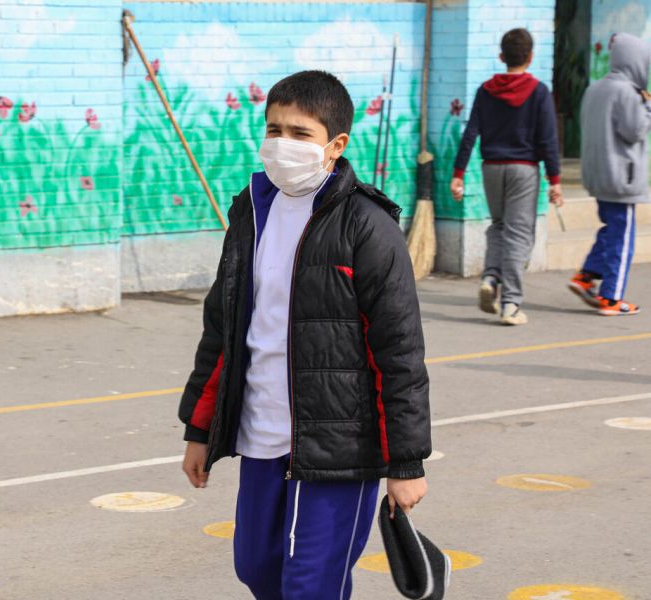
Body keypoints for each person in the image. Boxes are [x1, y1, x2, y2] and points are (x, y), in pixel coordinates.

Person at [178, 70, 431, 599]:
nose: (282, 143)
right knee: (257, 568)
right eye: (274, 129)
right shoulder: (251, 211)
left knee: (311, 586)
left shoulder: (367, 224)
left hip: (340, 445)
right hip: (261, 432)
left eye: (300, 133)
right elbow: (222, 329)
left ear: (336, 145)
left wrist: (405, 463)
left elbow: (399, 353)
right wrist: (200, 430)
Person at [451, 28, 563, 326]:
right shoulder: (539, 92)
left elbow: (471, 132)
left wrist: (458, 173)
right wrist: (555, 180)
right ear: (530, 57)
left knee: (499, 226)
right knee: (518, 234)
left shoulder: (485, 90)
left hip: (491, 167)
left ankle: (491, 276)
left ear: (502, 57)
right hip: (523, 170)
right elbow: (548, 140)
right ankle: (511, 303)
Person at [568, 33, 651, 316]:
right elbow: (635, 130)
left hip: (599, 174)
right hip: (621, 177)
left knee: (611, 229)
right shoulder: (627, 93)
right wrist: (648, 106)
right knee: (622, 238)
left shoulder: (595, 88)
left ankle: (586, 275)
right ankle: (612, 297)